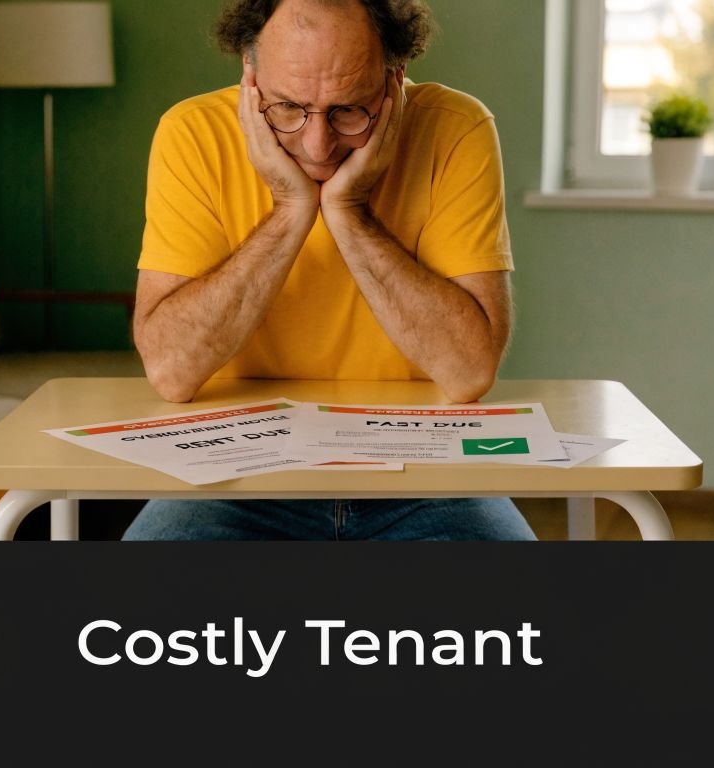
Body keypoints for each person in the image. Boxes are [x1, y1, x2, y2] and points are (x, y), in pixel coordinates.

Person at [122, 0, 533, 541]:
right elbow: (172, 373)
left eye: (349, 110)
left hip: (428, 474)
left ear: (395, 79)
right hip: (235, 475)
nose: (318, 145)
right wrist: (291, 209)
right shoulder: (192, 133)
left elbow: (468, 371)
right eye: (289, 107)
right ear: (251, 77)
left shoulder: (457, 128)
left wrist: (349, 211)